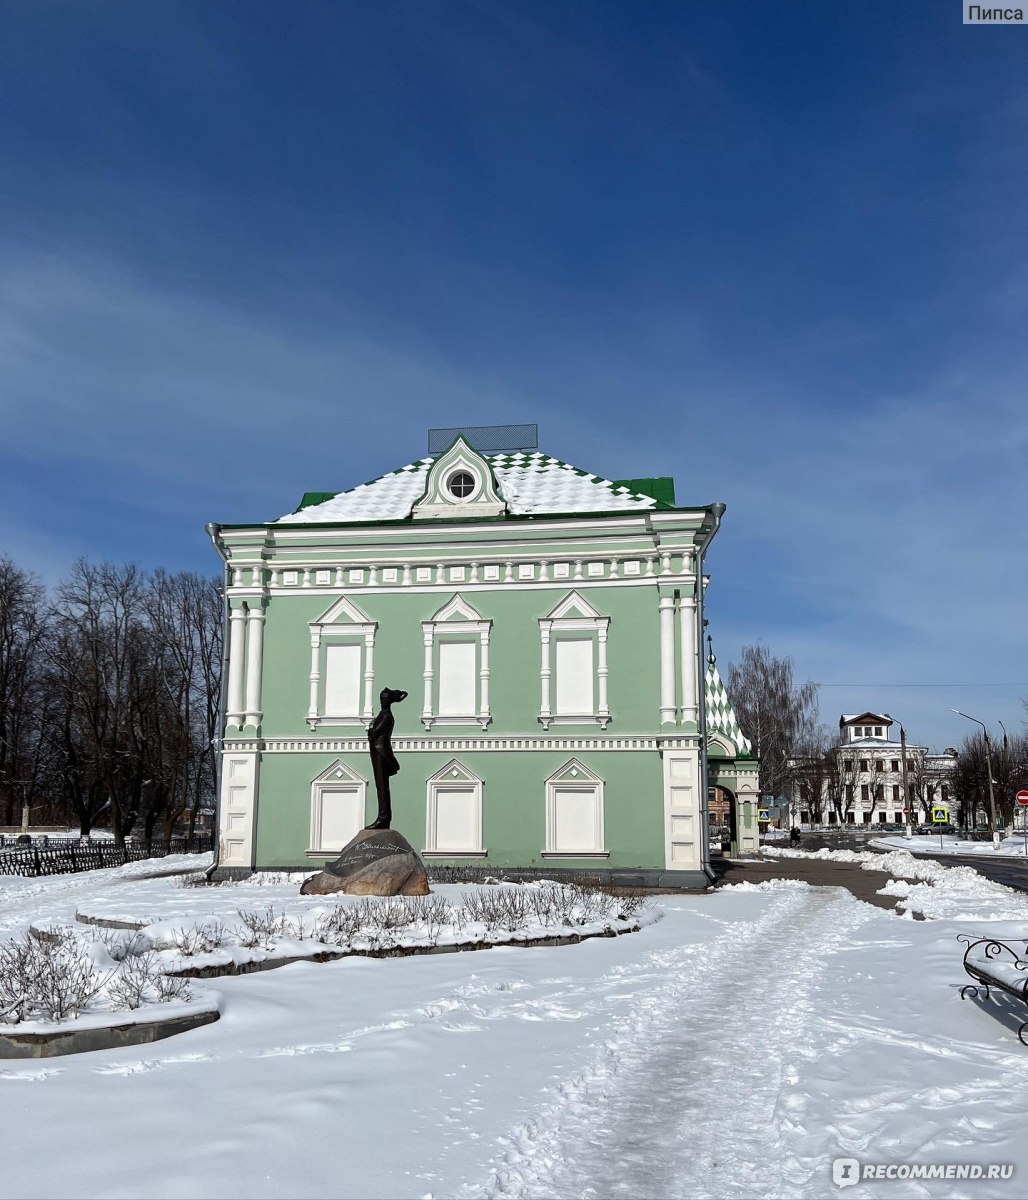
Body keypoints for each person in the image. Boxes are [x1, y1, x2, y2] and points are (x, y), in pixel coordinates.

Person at [365, 687, 408, 830]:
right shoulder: (382, 715)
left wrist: (371, 731)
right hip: (377, 752)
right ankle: (382, 817)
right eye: (381, 699)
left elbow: (373, 733)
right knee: (381, 786)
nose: (382, 702)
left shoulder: (386, 716)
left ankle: (383, 818)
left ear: (389, 701)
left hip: (381, 753)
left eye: (385, 699)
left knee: (382, 787)